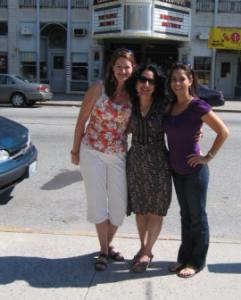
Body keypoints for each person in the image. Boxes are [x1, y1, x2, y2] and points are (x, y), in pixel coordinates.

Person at [70, 48, 136, 271]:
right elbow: (81, 120)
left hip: (118, 154)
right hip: (92, 152)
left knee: (119, 207)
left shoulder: (135, 94)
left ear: (133, 68)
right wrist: (75, 150)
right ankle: (104, 251)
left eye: (127, 66)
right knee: (97, 202)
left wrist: (195, 129)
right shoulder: (98, 88)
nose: (123, 70)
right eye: (119, 66)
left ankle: (106, 245)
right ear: (112, 68)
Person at [164, 62, 229, 278]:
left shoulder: (198, 106)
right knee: (185, 216)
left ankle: (196, 261)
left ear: (190, 80)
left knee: (198, 217)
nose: (177, 83)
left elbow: (223, 132)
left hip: (194, 172)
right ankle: (183, 258)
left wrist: (207, 157)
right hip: (176, 170)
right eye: (174, 79)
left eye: (182, 79)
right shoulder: (170, 106)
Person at [125, 64, 172, 273]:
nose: (146, 85)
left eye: (150, 81)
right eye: (142, 80)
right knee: (141, 209)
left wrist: (197, 134)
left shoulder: (165, 106)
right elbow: (120, 129)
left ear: (156, 85)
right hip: (135, 163)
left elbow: (184, 121)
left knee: (156, 209)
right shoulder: (129, 105)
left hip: (158, 163)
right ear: (135, 83)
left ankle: (147, 251)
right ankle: (143, 248)